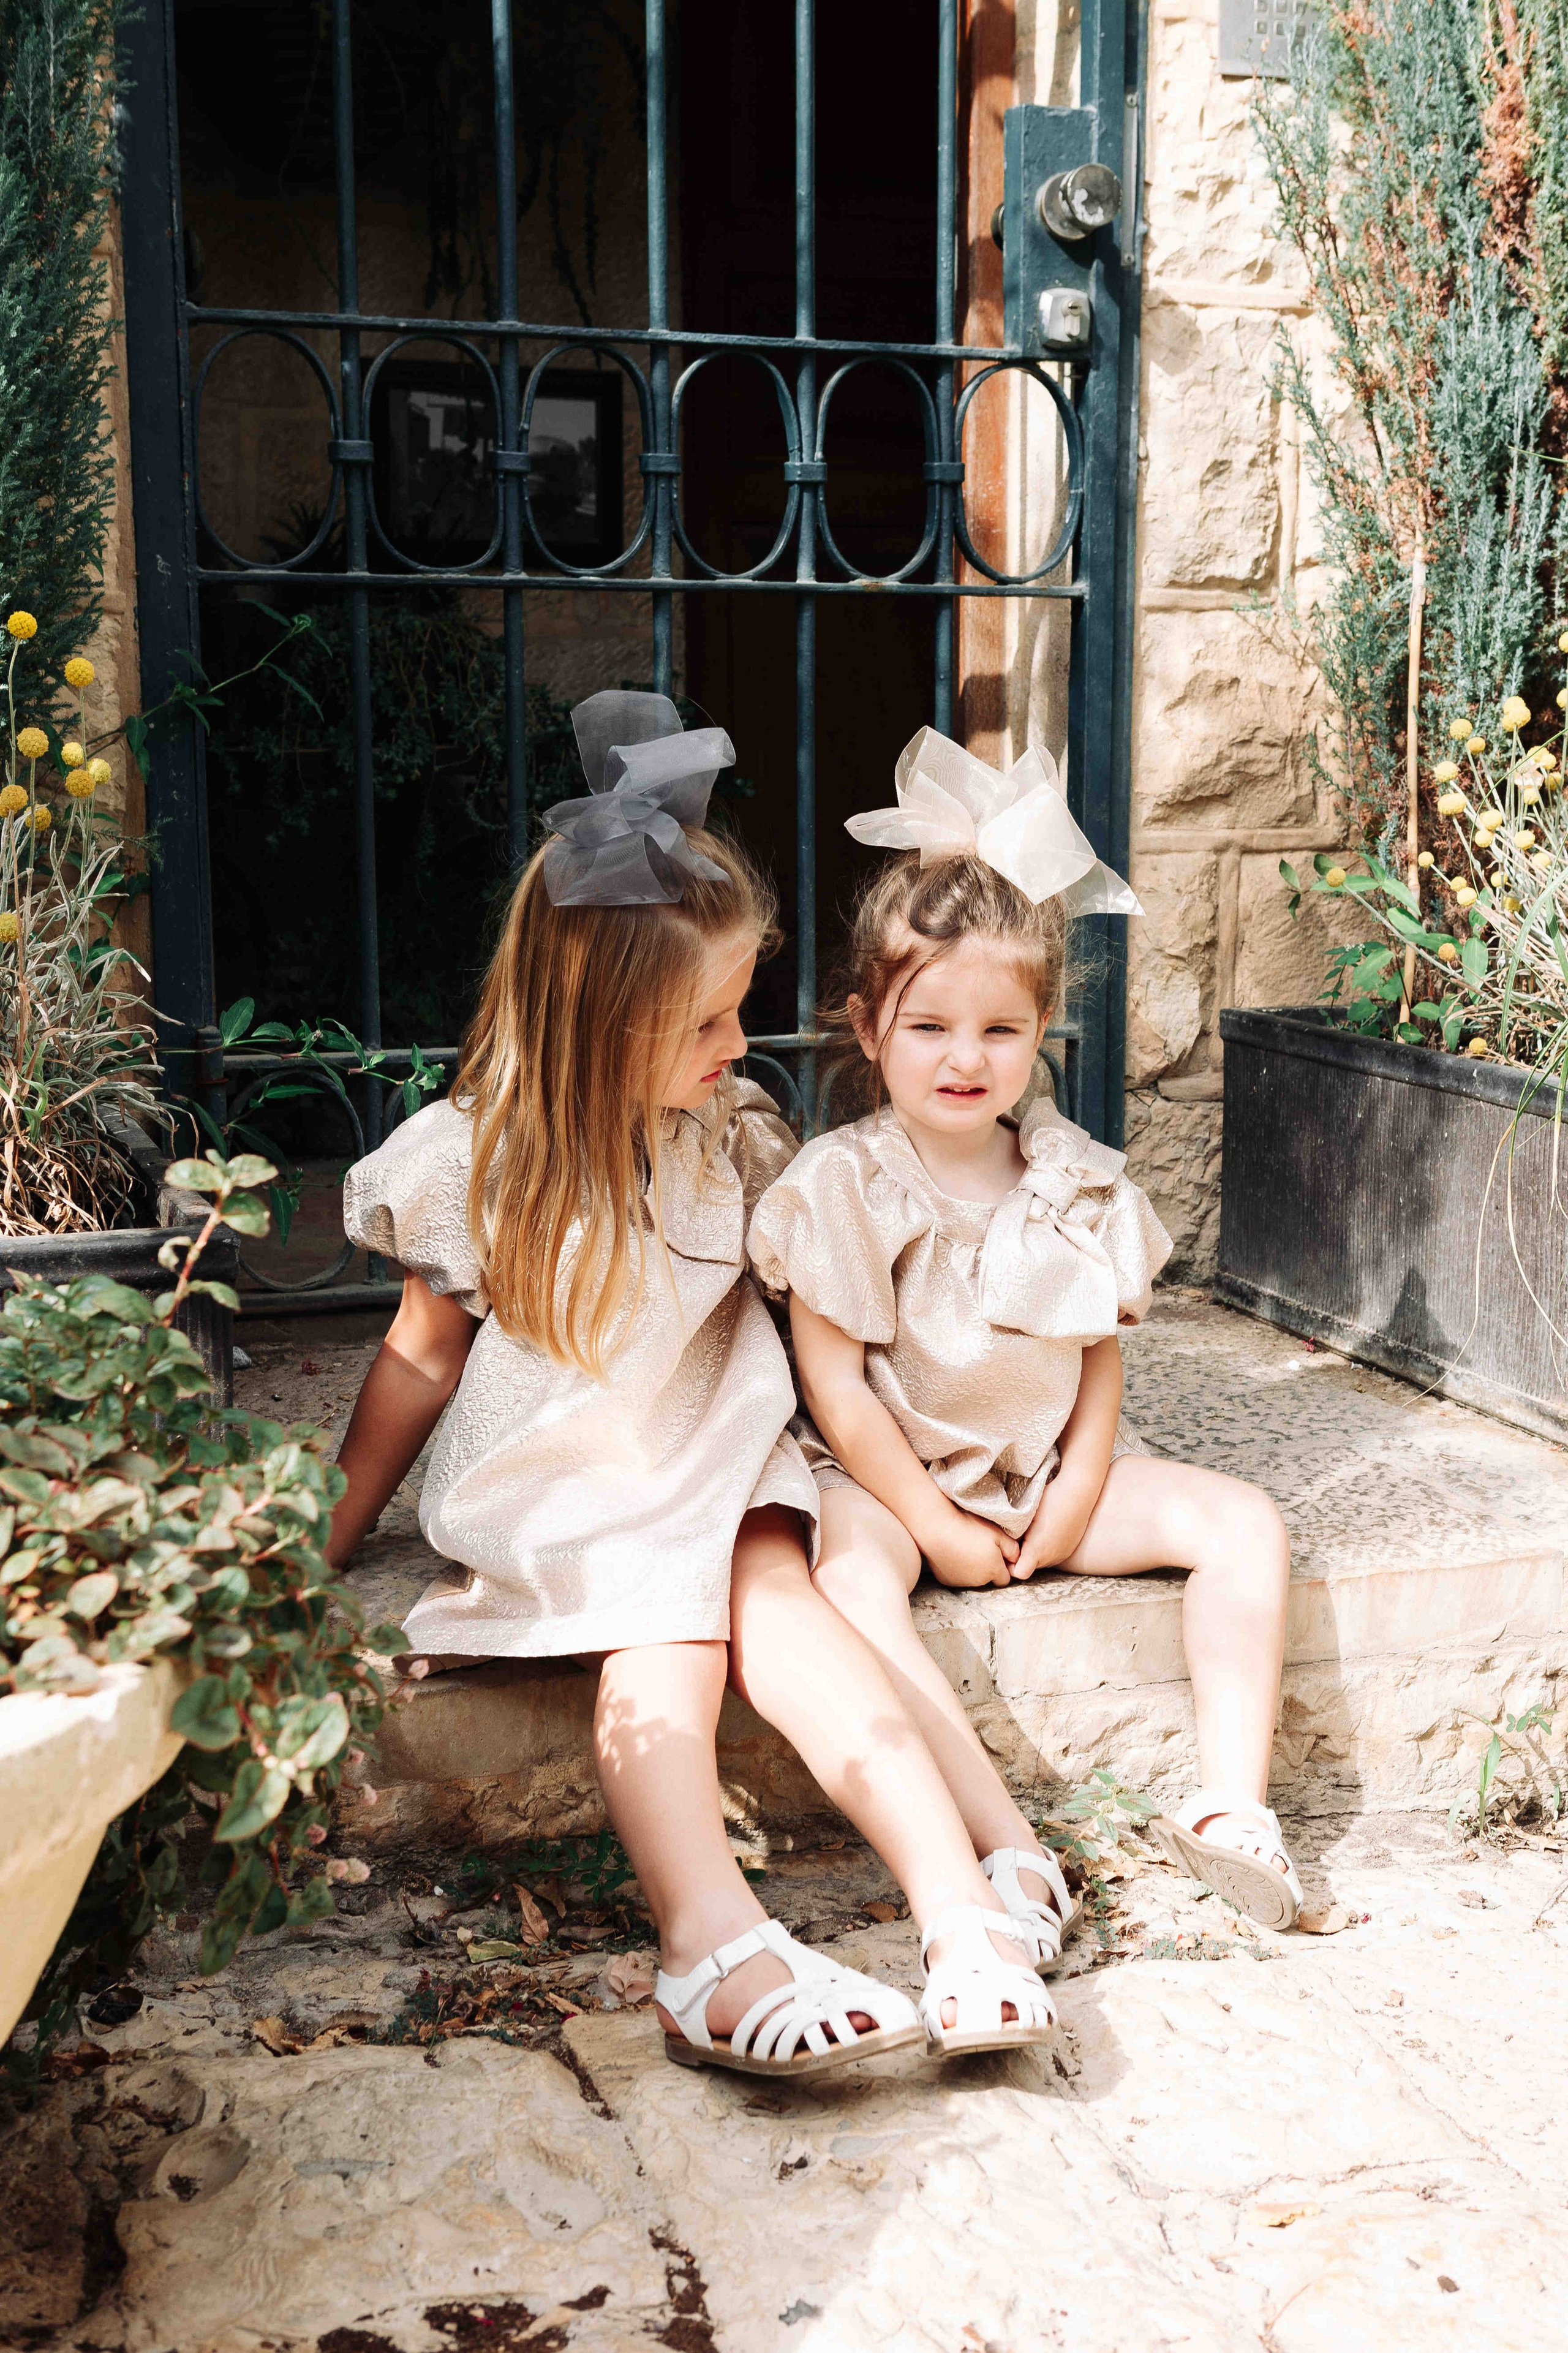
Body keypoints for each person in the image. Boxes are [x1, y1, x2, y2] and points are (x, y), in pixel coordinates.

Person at [326, 692, 1055, 2077]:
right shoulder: (471, 1162)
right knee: (669, 1639)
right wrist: (319, 1540)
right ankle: (705, 1944)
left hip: (722, 1441)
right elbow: (420, 1358)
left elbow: (825, 1295)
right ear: (596, 1024)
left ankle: (959, 1911)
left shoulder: (724, 1132)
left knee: (784, 1611)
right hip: (578, 1476)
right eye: (708, 1020)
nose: (738, 1042)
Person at [748, 728, 1300, 1955]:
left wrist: (1077, 1493)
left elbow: (1099, 1357)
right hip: (888, 1478)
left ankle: (1230, 1804)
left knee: (1242, 1524)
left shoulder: (1071, 1177)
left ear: (1041, 1025)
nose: (963, 1058)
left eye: (997, 1031)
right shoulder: (844, 1182)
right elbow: (833, 1385)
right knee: (846, 1579)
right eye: (928, 1026)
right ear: (866, 1021)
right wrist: (931, 1521)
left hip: (1042, 1474)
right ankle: (1000, 1838)